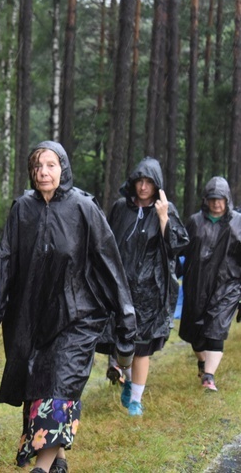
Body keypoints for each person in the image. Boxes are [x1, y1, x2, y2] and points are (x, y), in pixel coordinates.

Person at [0, 141, 136, 473]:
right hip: (31, 320)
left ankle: (42, 467)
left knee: (58, 388)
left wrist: (126, 317)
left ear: (63, 168)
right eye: (37, 166)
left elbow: (110, 262)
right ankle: (59, 458)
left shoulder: (83, 207)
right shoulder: (22, 209)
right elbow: (3, 266)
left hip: (77, 318)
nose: (43, 172)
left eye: (50, 165)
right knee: (37, 390)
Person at [98, 157, 189, 416]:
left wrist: (164, 218)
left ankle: (136, 399)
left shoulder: (165, 209)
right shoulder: (120, 208)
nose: (143, 187)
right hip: (120, 288)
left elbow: (178, 247)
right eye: (140, 181)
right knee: (120, 341)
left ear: (156, 184)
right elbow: (105, 242)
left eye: (149, 182)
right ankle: (125, 377)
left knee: (142, 346)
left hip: (151, 290)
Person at [178, 176, 241, 392]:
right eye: (212, 198)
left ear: (227, 199)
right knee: (196, 334)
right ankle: (203, 362)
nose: (216, 203)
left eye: (220, 199)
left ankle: (209, 377)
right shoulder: (195, 222)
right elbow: (181, 250)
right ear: (206, 199)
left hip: (227, 285)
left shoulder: (237, 223)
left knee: (216, 329)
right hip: (196, 285)